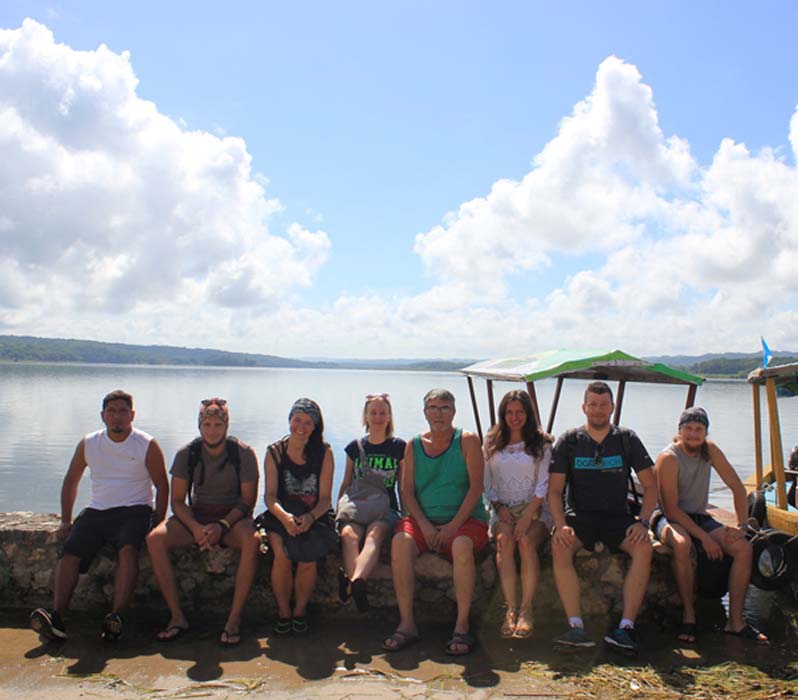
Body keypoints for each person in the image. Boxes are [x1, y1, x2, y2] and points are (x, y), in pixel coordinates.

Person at [30, 390, 168, 642]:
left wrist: (158, 520)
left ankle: (116, 617)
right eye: (111, 411)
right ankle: (57, 616)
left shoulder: (146, 443)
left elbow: (162, 484)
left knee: (127, 549)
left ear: (132, 415)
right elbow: (71, 481)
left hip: (134, 509)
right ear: (102, 415)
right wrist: (65, 520)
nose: (117, 417)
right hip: (97, 511)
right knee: (71, 551)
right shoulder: (90, 443)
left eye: (123, 411)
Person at [548, 381, 657, 653]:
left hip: (617, 518)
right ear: (584, 407)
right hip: (580, 517)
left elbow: (652, 485)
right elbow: (555, 491)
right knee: (559, 548)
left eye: (603, 405)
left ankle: (626, 627)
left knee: (644, 548)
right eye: (593, 405)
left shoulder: (626, 439)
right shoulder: (570, 440)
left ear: (612, 407)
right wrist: (560, 526)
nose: (598, 410)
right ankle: (576, 626)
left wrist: (643, 522)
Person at [146, 398, 261, 646]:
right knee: (154, 540)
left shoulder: (243, 453)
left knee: (253, 541)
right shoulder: (187, 454)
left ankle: (233, 620)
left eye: (217, 425)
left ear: (226, 426)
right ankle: (177, 616)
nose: (212, 431)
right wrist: (197, 528)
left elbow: (247, 502)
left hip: (231, 518)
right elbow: (177, 501)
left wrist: (222, 526)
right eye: (207, 424)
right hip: (196, 516)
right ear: (199, 426)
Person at [383, 389, 488, 656]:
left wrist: (453, 526)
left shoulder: (467, 440)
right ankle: (407, 624)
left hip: (464, 520)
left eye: (444, 408)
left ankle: (462, 626)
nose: (438, 414)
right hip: (423, 520)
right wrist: (425, 525)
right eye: (432, 408)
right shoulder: (414, 445)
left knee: (462, 546)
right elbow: (406, 492)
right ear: (424, 412)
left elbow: (477, 488)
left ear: (453, 412)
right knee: (399, 543)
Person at [654, 407, 768, 643]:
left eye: (699, 429)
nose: (693, 434)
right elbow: (672, 508)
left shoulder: (710, 450)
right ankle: (689, 616)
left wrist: (742, 525)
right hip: (667, 515)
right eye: (688, 429)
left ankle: (735, 621)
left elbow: (737, 487)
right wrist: (704, 538)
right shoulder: (669, 458)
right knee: (683, 544)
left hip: (697, 515)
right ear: (680, 430)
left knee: (743, 549)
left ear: (706, 432)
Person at [257, 398, 336, 636]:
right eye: (297, 420)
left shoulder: (324, 453)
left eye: (308, 422)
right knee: (282, 554)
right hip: (280, 514)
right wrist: (285, 518)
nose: (301, 427)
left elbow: (325, 499)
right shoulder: (275, 452)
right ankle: (284, 612)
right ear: (290, 420)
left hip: (315, 515)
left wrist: (310, 518)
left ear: (315, 426)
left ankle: (299, 612)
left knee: (307, 557)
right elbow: (270, 496)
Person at [484, 390, 553, 639]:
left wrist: (527, 516)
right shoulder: (492, 441)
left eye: (519, 412)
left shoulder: (542, 443)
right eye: (509, 412)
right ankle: (509, 609)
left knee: (524, 541)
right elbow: (486, 481)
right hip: (502, 509)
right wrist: (499, 508)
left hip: (535, 509)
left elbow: (543, 484)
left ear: (528, 414)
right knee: (505, 541)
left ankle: (526, 609)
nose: (514, 417)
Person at [337, 393, 406, 612]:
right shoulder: (354, 447)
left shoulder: (398, 447)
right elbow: (346, 482)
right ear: (366, 416)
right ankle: (356, 584)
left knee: (375, 533)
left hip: (385, 508)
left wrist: (406, 515)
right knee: (348, 535)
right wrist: (337, 510)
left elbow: (403, 486)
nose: (377, 417)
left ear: (389, 417)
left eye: (382, 412)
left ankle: (353, 583)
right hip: (357, 506)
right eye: (373, 412)